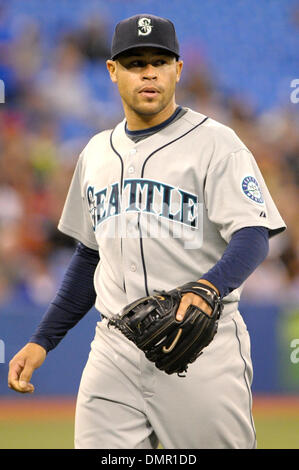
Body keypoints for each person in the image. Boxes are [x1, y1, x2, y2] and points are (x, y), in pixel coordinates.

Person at [8, 14, 286, 449]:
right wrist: (43, 339)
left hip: (202, 345)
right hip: (114, 349)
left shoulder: (217, 143)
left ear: (178, 69)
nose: (149, 71)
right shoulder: (96, 153)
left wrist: (210, 287)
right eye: (136, 62)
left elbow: (253, 233)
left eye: (160, 60)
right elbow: (89, 255)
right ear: (112, 71)